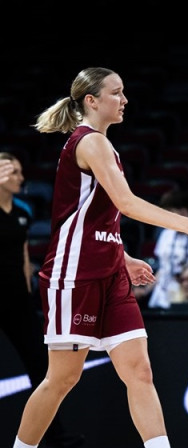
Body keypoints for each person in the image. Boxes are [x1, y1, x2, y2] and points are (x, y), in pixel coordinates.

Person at [12, 67, 188, 448]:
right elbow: (126, 204)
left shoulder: (103, 145)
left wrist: (123, 256)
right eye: (117, 92)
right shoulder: (89, 143)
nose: (125, 99)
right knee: (62, 379)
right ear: (91, 101)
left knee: (139, 370)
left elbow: (98, 217)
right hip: (74, 272)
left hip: (111, 273)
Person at [0, 153, 84, 448]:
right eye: (15, 172)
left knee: (40, 365)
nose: (21, 179)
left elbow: (24, 257)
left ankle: (55, 435)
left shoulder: (22, 211)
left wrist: (27, 291)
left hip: (17, 301)